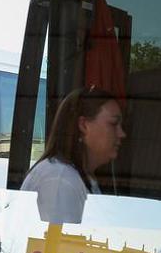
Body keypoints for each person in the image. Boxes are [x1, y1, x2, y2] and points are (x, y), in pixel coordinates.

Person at [19, 87, 127, 223]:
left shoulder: (71, 176)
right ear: (84, 125)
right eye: (113, 124)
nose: (122, 134)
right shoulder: (60, 179)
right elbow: (59, 242)